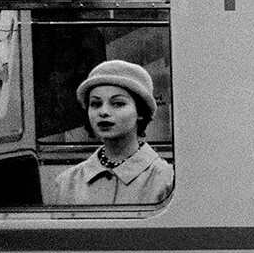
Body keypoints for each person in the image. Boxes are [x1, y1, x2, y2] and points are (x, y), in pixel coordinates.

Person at [52, 59, 174, 204]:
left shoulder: (166, 180)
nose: (103, 112)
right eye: (95, 104)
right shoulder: (67, 182)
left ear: (140, 111)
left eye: (118, 104)